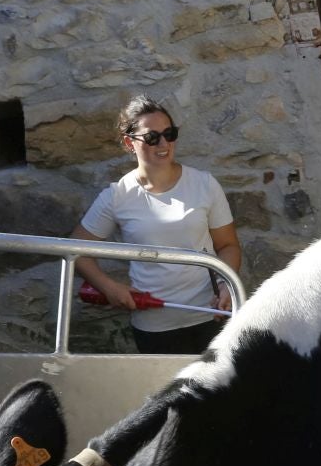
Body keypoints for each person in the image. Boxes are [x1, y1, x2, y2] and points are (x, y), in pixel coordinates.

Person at [73, 95, 241, 356]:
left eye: (169, 134)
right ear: (130, 142)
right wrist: (109, 287)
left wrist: (225, 285)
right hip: (154, 326)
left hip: (211, 317)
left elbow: (228, 245)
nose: (164, 144)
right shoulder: (118, 195)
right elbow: (77, 251)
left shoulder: (204, 184)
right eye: (152, 137)